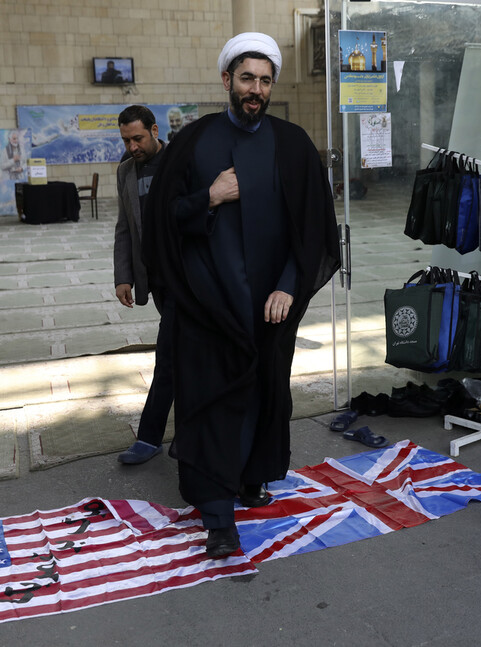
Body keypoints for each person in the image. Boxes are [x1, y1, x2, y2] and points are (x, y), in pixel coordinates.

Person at [142, 32, 340, 558]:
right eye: (246, 78)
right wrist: (209, 196)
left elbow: (315, 229)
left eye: (265, 80)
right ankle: (217, 516)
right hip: (208, 305)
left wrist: (289, 285)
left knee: (262, 394)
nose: (256, 89)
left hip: (270, 306)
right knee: (209, 403)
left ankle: (251, 476)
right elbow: (161, 220)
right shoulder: (193, 143)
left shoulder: (293, 145)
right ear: (226, 80)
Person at [114, 105, 170, 466]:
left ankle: (150, 436)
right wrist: (123, 276)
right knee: (177, 355)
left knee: (171, 355)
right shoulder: (125, 171)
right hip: (157, 279)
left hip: (191, 278)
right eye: (125, 140)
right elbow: (124, 227)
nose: (132, 146)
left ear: (153, 130)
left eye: (137, 138)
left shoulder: (179, 161)